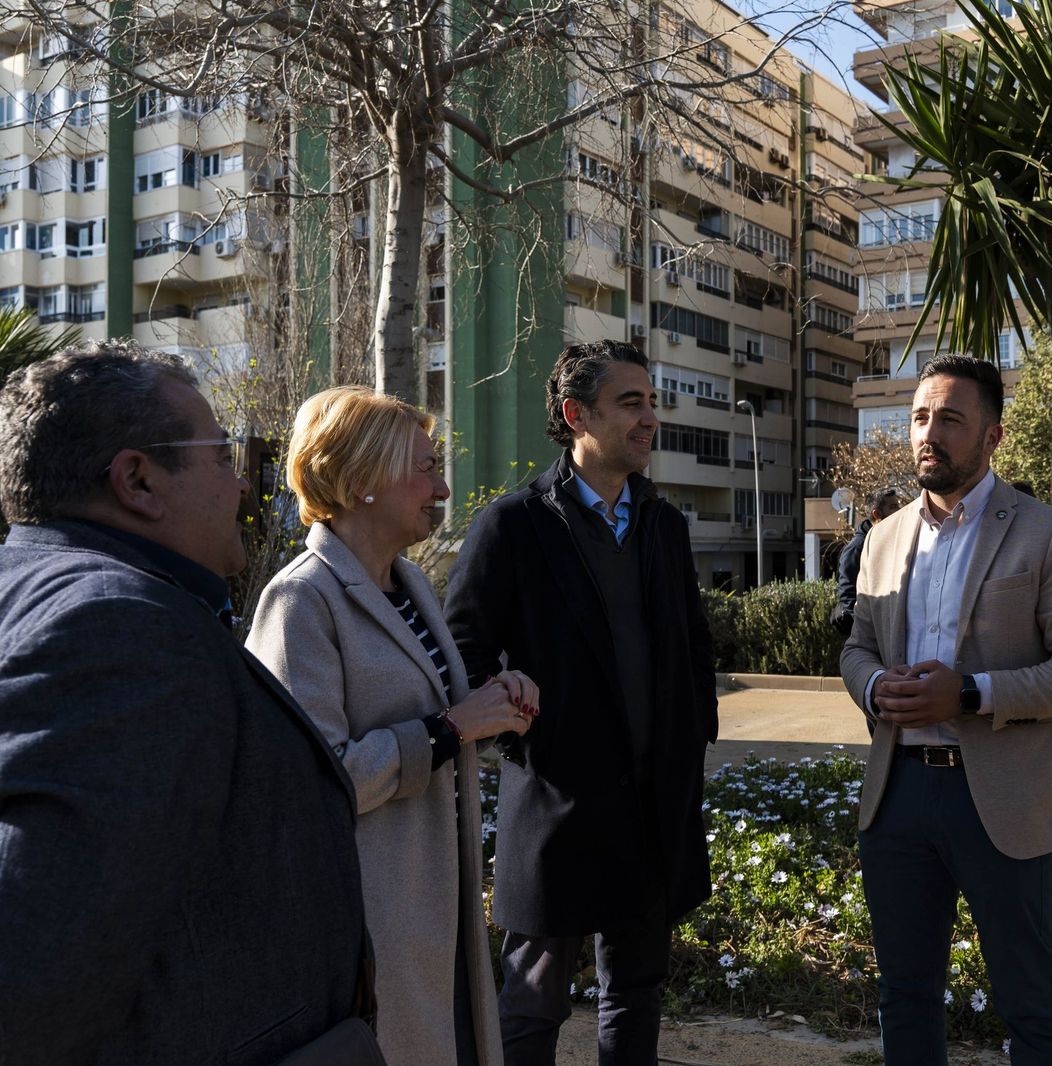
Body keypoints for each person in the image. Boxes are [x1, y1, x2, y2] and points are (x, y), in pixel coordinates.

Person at [0, 343, 377, 1064]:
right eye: (221, 457)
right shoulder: (116, 629)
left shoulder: (54, 591)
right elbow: (37, 981)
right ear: (138, 480)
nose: (242, 487)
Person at [445, 340, 718, 1066]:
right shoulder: (514, 525)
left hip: (652, 808)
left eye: (651, 402)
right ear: (576, 415)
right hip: (557, 808)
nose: (649, 419)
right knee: (530, 1007)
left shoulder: (664, 525)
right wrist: (526, 738)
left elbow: (694, 647)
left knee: (637, 994)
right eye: (631, 403)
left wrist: (692, 742)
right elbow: (464, 650)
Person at [247, 386, 537, 1066]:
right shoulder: (300, 600)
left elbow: (441, 728)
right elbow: (312, 780)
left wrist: (493, 706)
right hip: (372, 921)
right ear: (358, 482)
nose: (441, 486)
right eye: (424, 467)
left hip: (436, 909)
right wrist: (447, 729)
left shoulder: (407, 585)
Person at [840, 355, 1052, 1066]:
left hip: (1004, 798)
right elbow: (857, 648)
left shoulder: (1044, 532)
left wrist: (969, 693)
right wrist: (873, 689)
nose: (930, 434)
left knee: (1032, 1000)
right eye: (921, 419)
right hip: (896, 793)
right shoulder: (883, 536)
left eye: (951, 420)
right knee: (904, 994)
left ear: (993, 437)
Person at [833, 488, 900, 636]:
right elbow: (848, 594)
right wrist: (864, 630)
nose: (900, 511)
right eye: (893, 507)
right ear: (877, 514)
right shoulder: (857, 547)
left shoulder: (893, 540)